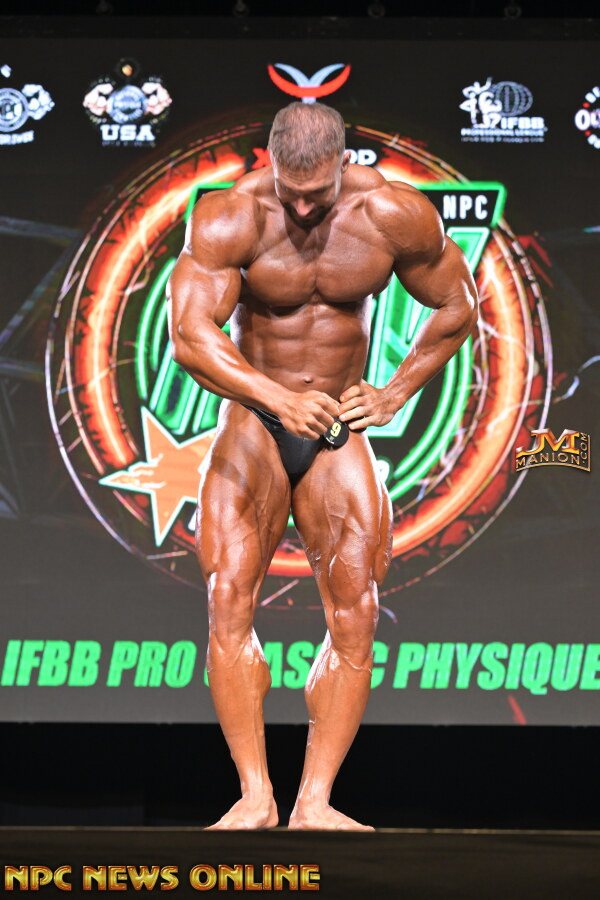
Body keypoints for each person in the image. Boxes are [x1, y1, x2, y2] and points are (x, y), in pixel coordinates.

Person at [167, 101, 478, 830]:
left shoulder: (392, 214)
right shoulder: (230, 217)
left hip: (337, 425)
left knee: (356, 609)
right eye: (290, 191)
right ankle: (254, 795)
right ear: (270, 164)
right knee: (227, 596)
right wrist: (276, 396)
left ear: (345, 163)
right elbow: (189, 335)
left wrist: (395, 391)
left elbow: (457, 304)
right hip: (256, 420)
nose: (303, 208)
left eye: (318, 193)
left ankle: (314, 801)